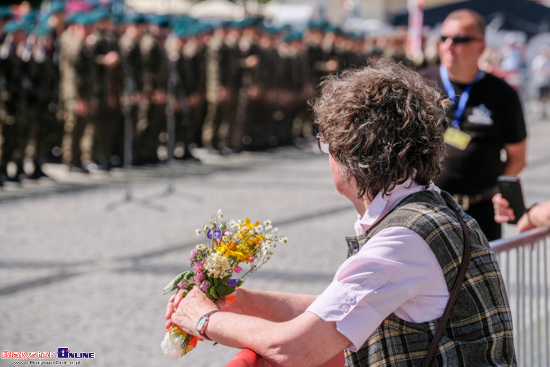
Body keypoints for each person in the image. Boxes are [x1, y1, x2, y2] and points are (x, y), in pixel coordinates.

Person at [165, 60, 516, 366]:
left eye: (327, 145)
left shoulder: (402, 239)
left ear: (353, 158)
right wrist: (237, 301)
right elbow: (336, 310)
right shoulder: (429, 204)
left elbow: (293, 347)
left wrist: (202, 319)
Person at [419, 9, 527, 241]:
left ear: (480, 46)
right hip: (425, 209)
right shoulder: (418, 85)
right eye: (444, 38)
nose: (448, 45)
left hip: (479, 213)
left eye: (459, 39)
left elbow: (517, 157)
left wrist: (494, 190)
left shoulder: (502, 94)